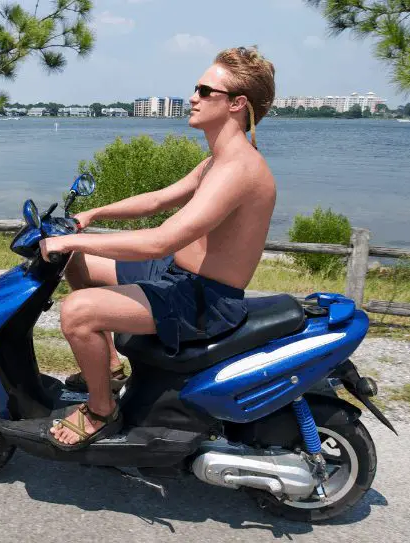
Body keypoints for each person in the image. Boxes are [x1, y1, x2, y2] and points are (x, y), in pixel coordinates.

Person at [40, 46, 278, 450]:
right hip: (174, 276)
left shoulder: (239, 169)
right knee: (76, 261)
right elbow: (157, 200)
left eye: (205, 91)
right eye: (196, 88)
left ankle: (100, 410)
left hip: (203, 299)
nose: (193, 97)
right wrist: (91, 216)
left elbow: (161, 239)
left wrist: (69, 238)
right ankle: (110, 367)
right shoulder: (218, 160)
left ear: (238, 104)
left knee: (77, 313)